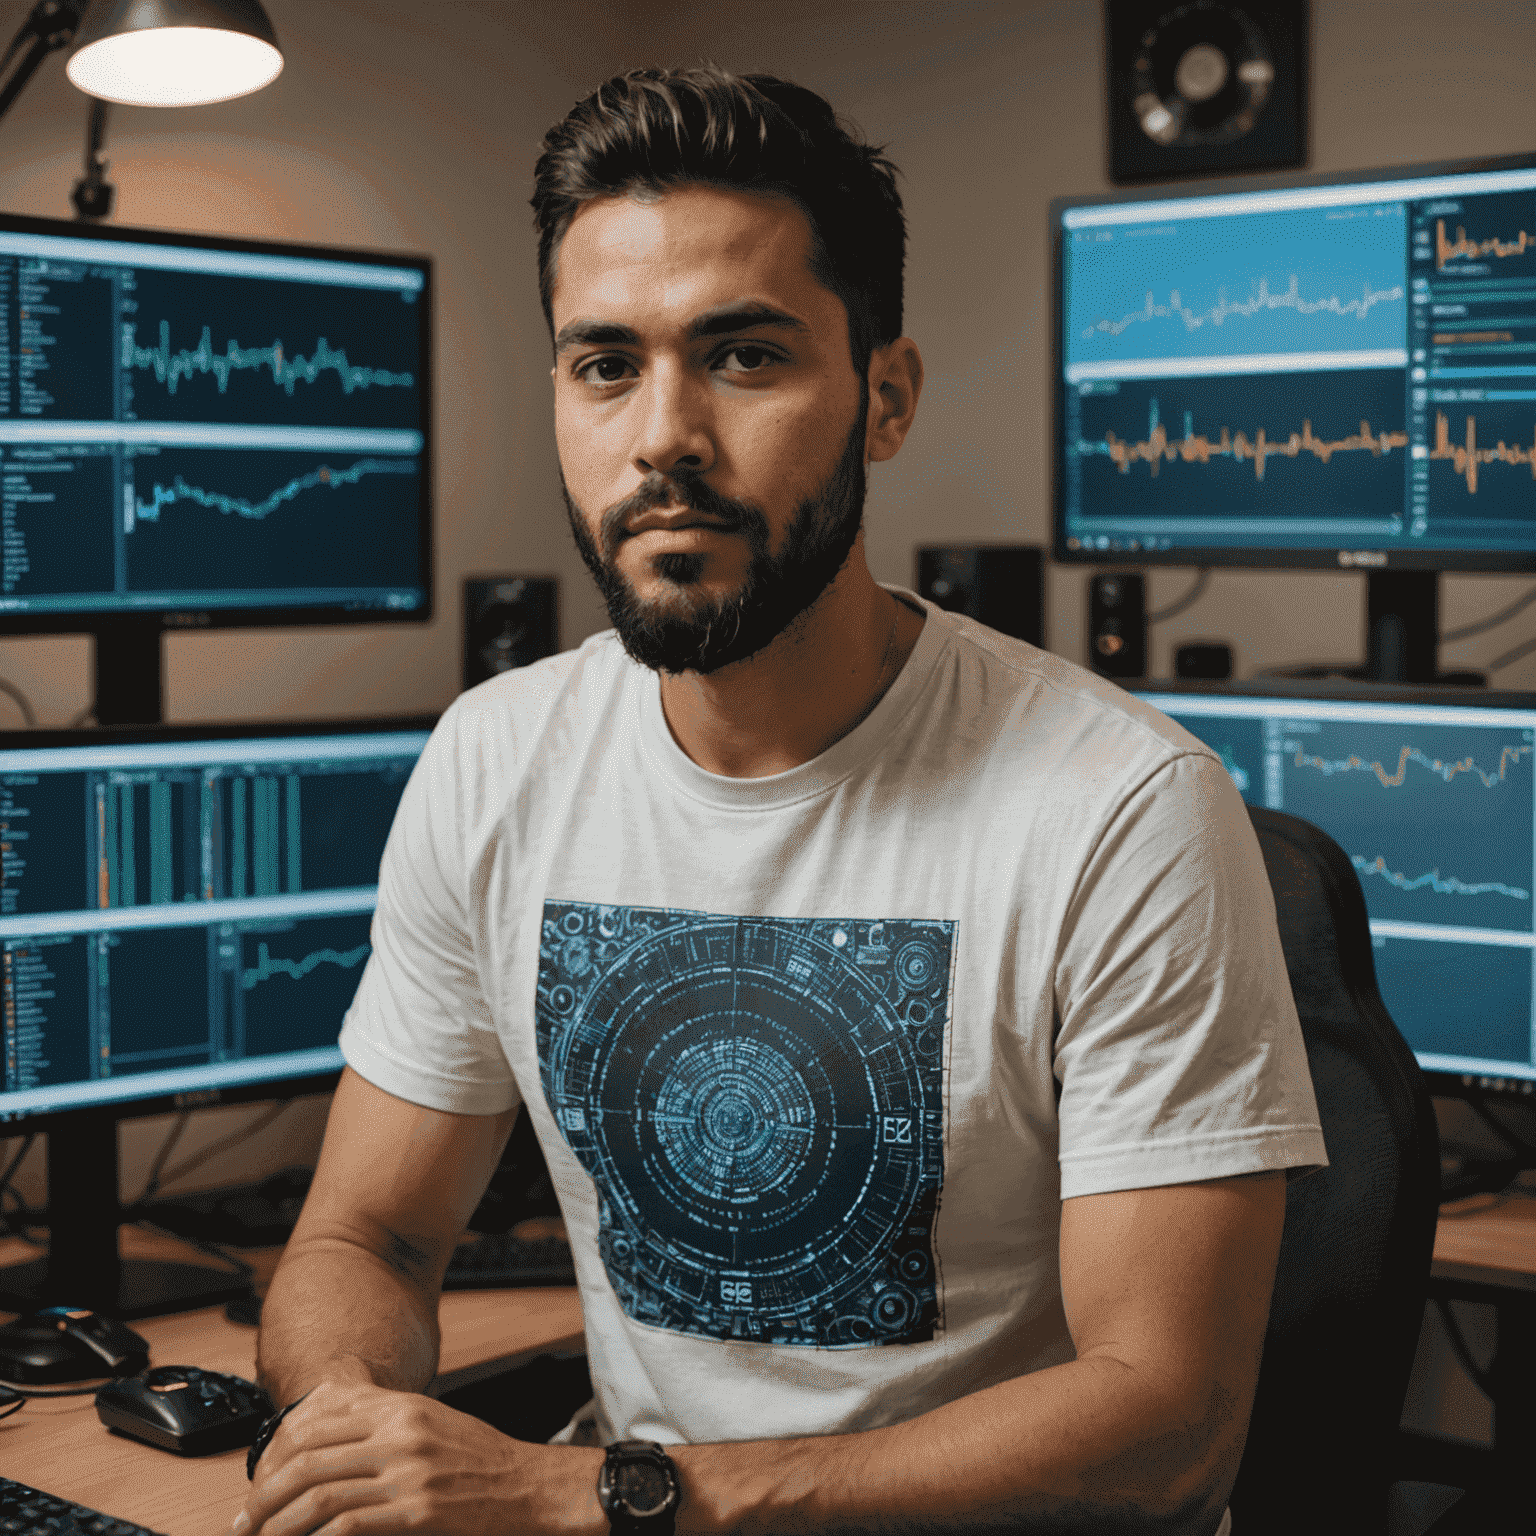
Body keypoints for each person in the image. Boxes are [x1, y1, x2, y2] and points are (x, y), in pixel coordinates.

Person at [239, 66, 1325, 1536]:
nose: (663, 435)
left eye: (744, 359)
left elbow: (1166, 1422)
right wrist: (350, 1426)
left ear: (883, 399)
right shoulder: (496, 761)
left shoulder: (1120, 809)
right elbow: (363, 1234)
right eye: (604, 365)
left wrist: (604, 1499)